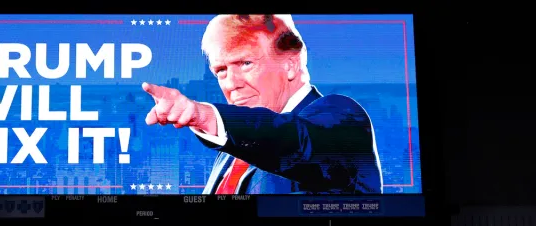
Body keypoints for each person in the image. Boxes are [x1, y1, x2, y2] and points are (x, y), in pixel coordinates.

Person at [142, 14, 382, 195]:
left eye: (246, 63)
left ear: (290, 64)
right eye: (221, 71)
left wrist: (204, 115)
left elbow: (293, 141)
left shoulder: (342, 117)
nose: (231, 84)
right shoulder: (232, 152)